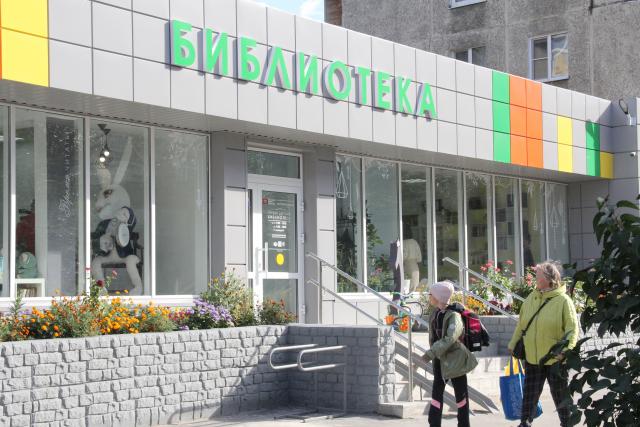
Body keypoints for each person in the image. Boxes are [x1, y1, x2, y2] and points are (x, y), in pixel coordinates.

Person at [508, 261, 579, 427]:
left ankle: (567, 424)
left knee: (561, 398)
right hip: (533, 358)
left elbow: (572, 329)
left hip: (555, 359)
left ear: (548, 278)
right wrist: (512, 343)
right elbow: (521, 325)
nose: (535, 277)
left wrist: (566, 351)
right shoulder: (531, 299)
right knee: (529, 398)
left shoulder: (563, 301)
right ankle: (524, 424)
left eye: (538, 274)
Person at [422, 281, 478, 427]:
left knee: (461, 395)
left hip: (455, 360)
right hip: (439, 360)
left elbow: (450, 338)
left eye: (431, 294)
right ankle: (434, 424)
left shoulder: (454, 315)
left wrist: (430, 353)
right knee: (436, 395)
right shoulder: (435, 314)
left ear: (439, 297)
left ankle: (463, 424)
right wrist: (434, 354)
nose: (429, 296)